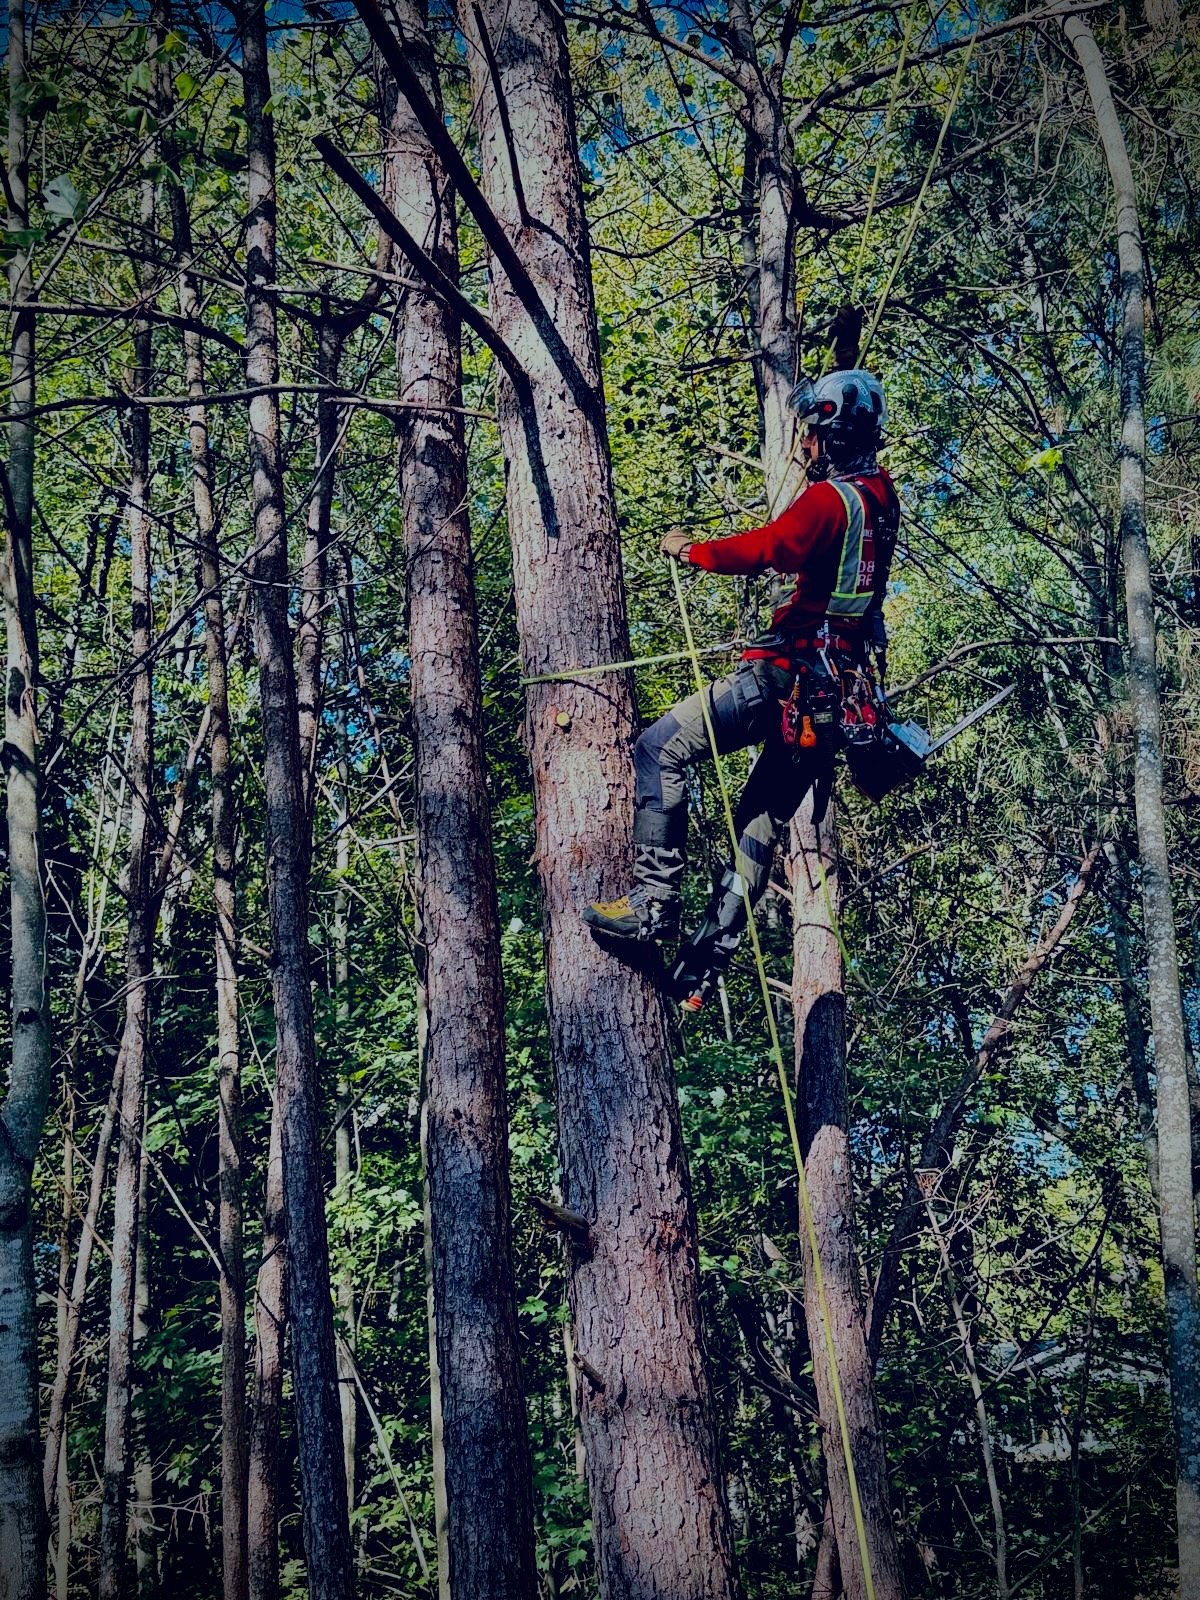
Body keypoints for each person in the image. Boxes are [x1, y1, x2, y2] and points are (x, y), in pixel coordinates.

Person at [584, 365, 900, 1009]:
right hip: (835, 702)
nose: (805, 445)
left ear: (834, 435)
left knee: (659, 748)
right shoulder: (880, 497)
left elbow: (775, 546)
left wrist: (694, 550)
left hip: (785, 682)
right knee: (756, 827)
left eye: (813, 433)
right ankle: (698, 970)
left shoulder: (829, 502)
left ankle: (652, 904)